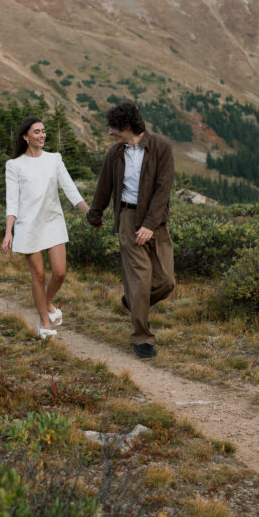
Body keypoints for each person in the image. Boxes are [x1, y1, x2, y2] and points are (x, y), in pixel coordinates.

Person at [86, 101, 175, 358]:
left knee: (166, 281)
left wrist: (149, 225)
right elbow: (104, 186)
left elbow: (163, 189)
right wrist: (95, 215)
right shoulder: (115, 153)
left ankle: (132, 303)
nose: (110, 133)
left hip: (156, 221)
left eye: (113, 128)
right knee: (140, 279)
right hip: (127, 217)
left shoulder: (161, 147)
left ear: (127, 126)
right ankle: (141, 337)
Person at [2, 116, 89, 340]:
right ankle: (43, 321)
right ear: (26, 137)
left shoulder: (54, 159)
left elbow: (69, 188)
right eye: (37, 132)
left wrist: (88, 212)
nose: (42, 135)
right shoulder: (14, 165)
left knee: (59, 272)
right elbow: (12, 200)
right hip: (28, 225)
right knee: (39, 275)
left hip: (53, 222)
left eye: (43, 131)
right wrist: (8, 231)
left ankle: (47, 302)